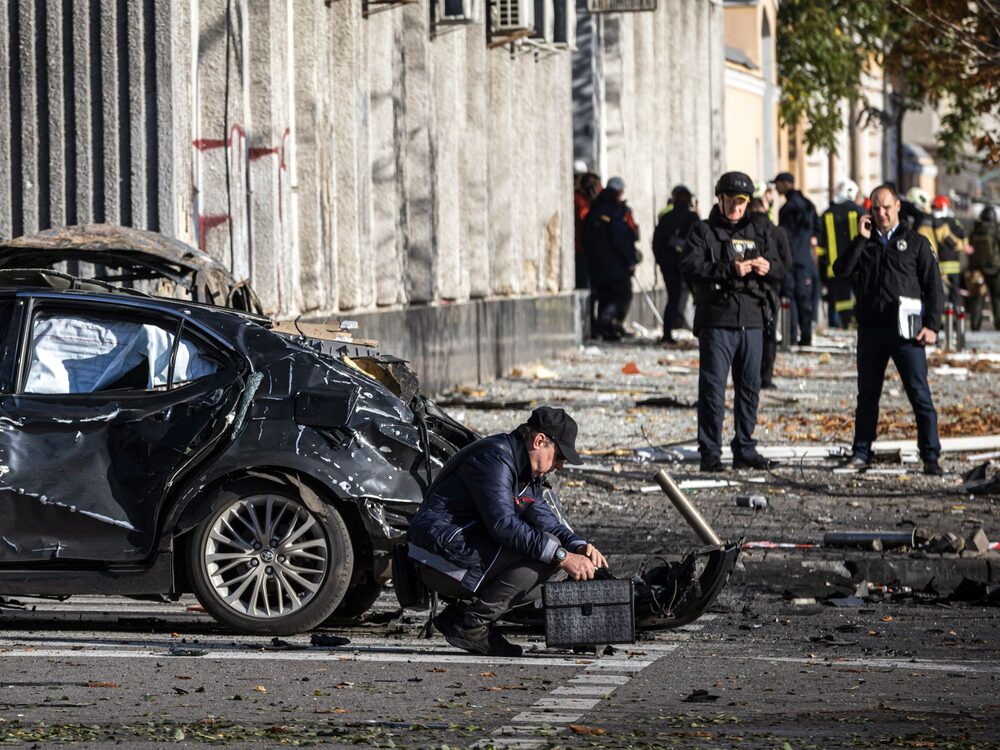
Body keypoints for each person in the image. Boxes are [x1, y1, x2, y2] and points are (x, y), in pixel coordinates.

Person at [407, 407, 608, 656]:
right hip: (437, 554)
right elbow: (503, 525)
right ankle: (471, 625)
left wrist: (578, 546)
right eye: (559, 456)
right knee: (550, 555)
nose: (560, 465)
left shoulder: (525, 471)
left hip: (463, 549)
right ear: (539, 441)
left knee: (554, 552)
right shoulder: (494, 458)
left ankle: (462, 616)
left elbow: (546, 521)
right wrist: (563, 556)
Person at [833, 185, 945, 476]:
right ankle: (861, 452)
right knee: (867, 396)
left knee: (919, 394)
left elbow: (934, 286)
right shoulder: (865, 242)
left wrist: (932, 325)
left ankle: (931, 456)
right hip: (871, 330)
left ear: (897, 206)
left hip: (907, 332)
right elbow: (840, 270)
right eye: (875, 208)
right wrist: (860, 239)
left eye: (886, 207)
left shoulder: (916, 243)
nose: (881, 213)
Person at [681, 171, 785, 472]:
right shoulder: (702, 231)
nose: (736, 207)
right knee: (713, 389)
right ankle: (710, 453)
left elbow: (781, 269)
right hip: (717, 320)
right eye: (731, 200)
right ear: (720, 199)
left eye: (741, 201)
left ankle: (745, 448)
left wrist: (767, 268)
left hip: (753, 320)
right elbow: (689, 266)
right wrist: (729, 269)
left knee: (750, 387)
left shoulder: (760, 231)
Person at [583, 176, 639, 340]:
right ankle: (607, 324)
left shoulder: (595, 209)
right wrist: (630, 260)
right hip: (613, 263)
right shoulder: (613, 212)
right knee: (620, 295)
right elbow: (620, 239)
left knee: (605, 295)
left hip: (596, 263)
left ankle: (607, 328)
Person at [749, 196, 792, 389]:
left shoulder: (742, 232)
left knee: (749, 336)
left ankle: (749, 376)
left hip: (746, 290)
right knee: (769, 334)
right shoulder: (777, 231)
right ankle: (766, 377)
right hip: (771, 291)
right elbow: (787, 262)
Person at [774, 172, 821, 345]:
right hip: (805, 259)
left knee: (790, 297)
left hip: (791, 260)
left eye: (777, 184)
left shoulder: (787, 209)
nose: (776, 188)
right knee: (804, 298)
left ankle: (791, 336)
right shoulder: (808, 205)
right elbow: (817, 228)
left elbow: (784, 237)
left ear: (785, 183)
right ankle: (806, 336)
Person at [652, 185, 698, 343]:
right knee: (698, 297)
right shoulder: (692, 217)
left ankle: (667, 333)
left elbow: (656, 243)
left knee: (673, 298)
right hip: (687, 264)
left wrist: (661, 262)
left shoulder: (666, 217)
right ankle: (704, 332)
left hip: (670, 264)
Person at [816, 180, 862, 328]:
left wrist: (821, 265)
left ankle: (845, 322)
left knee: (841, 298)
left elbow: (821, 246)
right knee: (861, 294)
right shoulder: (860, 212)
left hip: (834, 266)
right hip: (858, 265)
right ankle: (857, 321)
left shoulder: (826, 214)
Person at [967, 206, 1000, 331]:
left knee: (977, 299)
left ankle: (975, 326)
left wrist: (971, 268)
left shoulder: (974, 232)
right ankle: (999, 325)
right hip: (996, 270)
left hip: (978, 271)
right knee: (997, 299)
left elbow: (970, 251)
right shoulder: (996, 231)